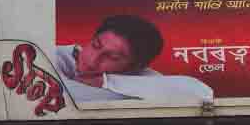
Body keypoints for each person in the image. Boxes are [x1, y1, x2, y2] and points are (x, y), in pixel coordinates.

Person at [55, 15, 212, 102]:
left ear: (134, 68)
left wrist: (107, 82)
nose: (92, 60)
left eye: (112, 57)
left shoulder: (129, 80)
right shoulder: (53, 56)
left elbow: (201, 93)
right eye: (96, 45)